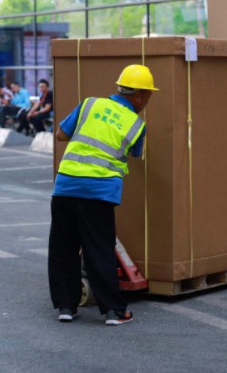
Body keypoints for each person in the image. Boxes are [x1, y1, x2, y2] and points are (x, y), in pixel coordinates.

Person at [48, 64, 158, 326]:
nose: (146, 103)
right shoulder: (136, 124)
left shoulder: (89, 105)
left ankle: (66, 306)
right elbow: (136, 154)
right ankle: (114, 311)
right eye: (148, 97)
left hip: (65, 186)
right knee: (99, 249)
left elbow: (61, 134)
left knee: (63, 247)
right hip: (98, 193)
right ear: (139, 95)